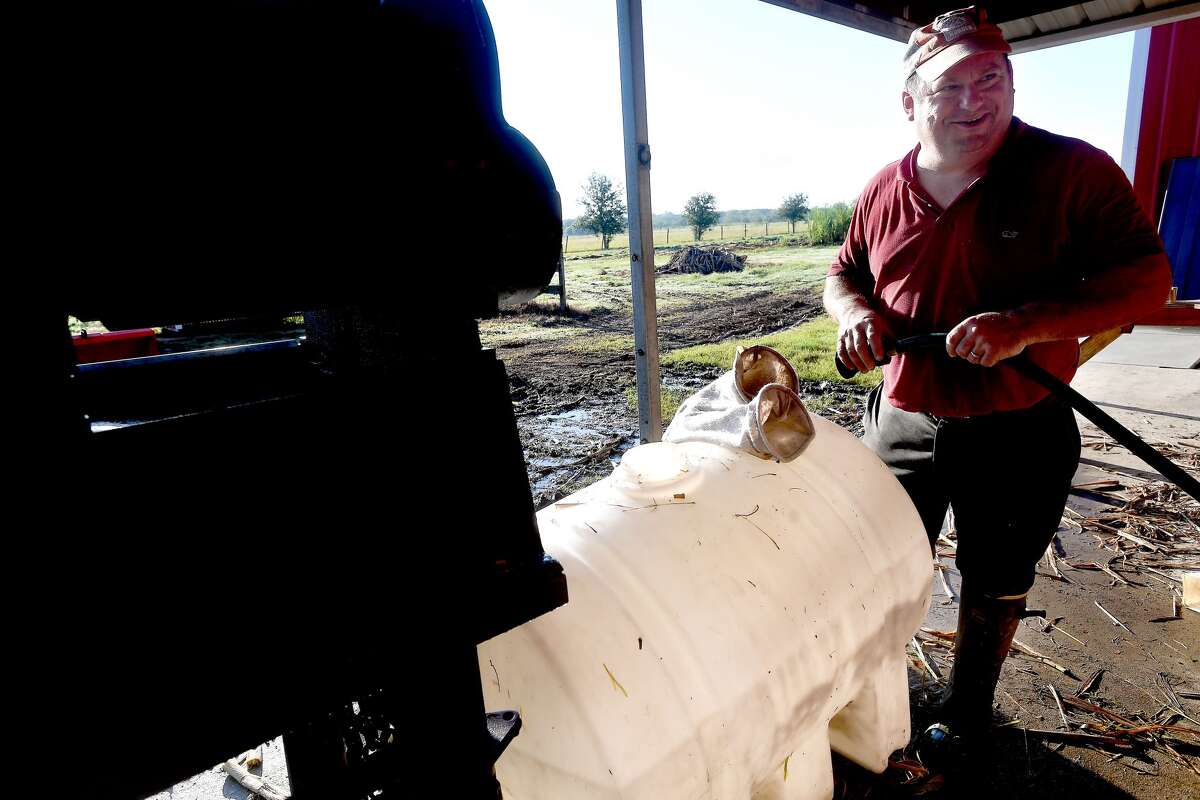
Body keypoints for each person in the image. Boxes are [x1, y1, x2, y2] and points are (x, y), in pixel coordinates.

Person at [822, 6, 1171, 754]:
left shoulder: (1068, 171)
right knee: (878, 566)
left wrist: (1027, 324)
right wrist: (851, 313)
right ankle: (869, 700)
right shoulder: (884, 188)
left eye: (992, 80)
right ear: (909, 102)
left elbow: (1148, 281)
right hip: (903, 418)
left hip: (1020, 421)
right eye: (950, 88)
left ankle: (968, 709)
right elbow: (843, 273)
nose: (976, 102)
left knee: (995, 574)